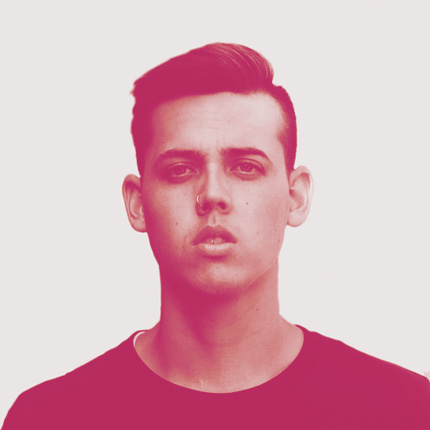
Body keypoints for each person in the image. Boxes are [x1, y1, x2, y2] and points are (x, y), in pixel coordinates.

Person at [2, 43, 429, 430]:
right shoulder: (48, 419)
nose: (212, 194)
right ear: (137, 203)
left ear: (295, 197)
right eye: (179, 170)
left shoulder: (405, 410)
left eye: (246, 167)